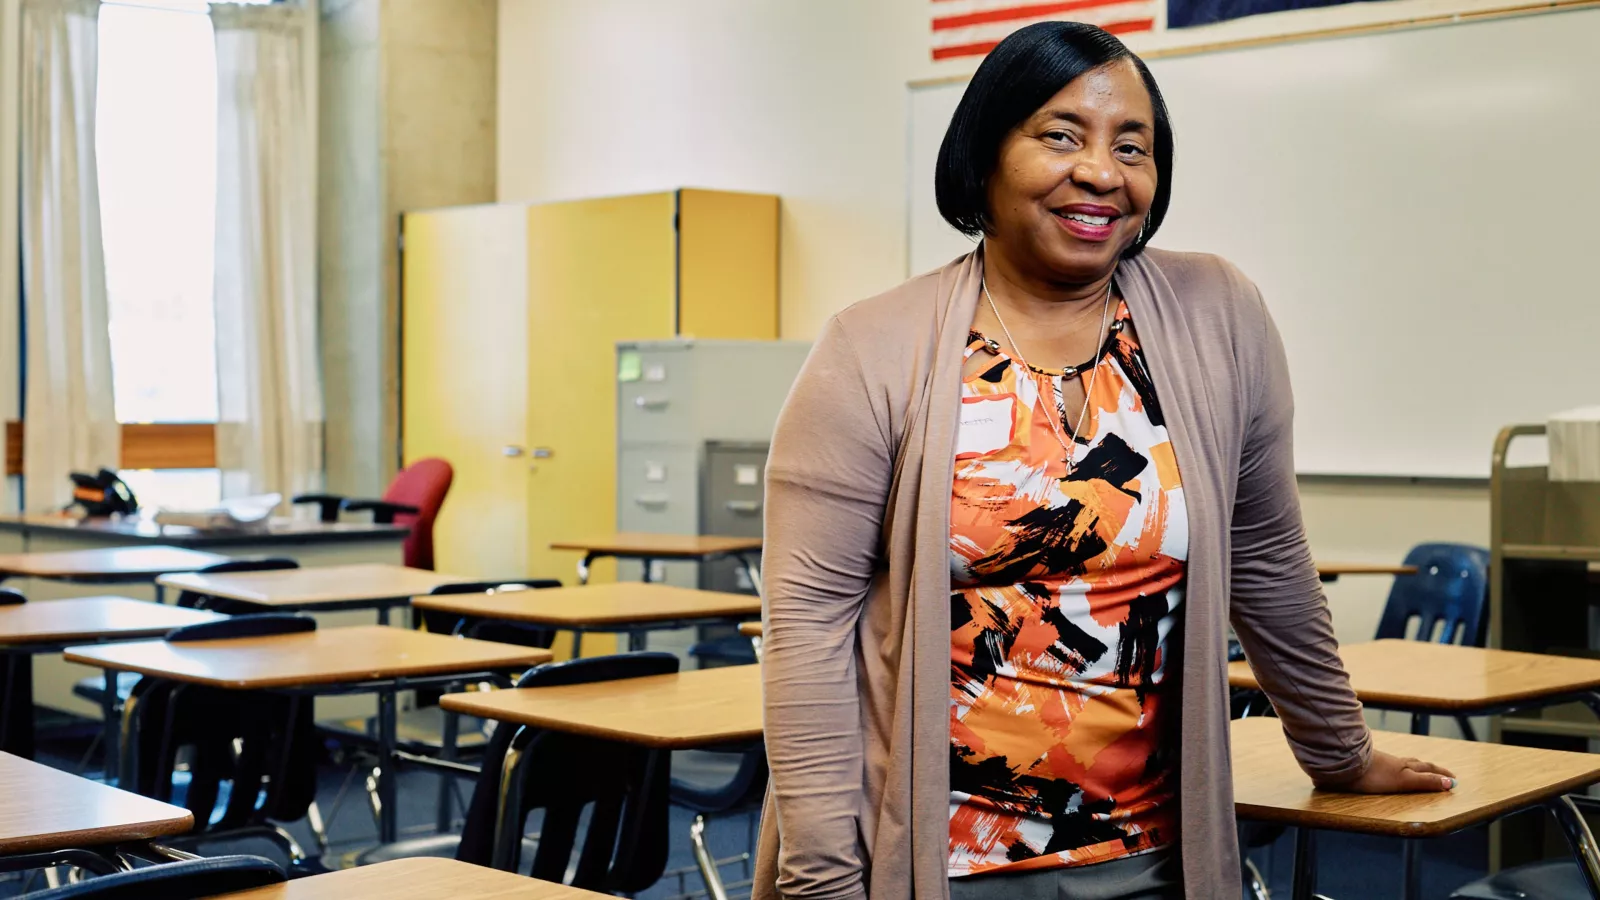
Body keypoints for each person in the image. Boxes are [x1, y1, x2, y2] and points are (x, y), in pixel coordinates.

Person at [753, 20, 1456, 900]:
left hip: (1154, 856)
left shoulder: (1218, 315)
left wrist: (1339, 752)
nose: (1101, 171)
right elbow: (808, 629)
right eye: (1060, 135)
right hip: (938, 862)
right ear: (984, 155)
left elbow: (1267, 557)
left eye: (1134, 146)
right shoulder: (872, 347)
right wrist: (821, 882)